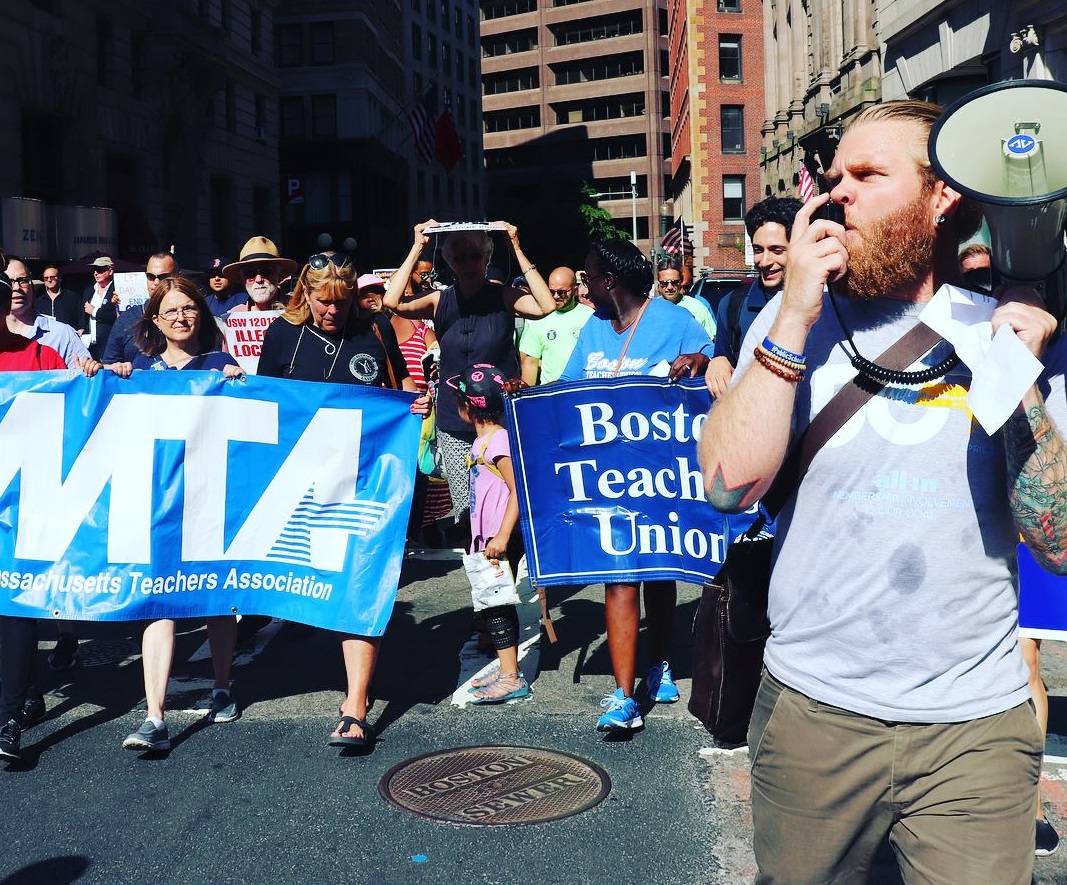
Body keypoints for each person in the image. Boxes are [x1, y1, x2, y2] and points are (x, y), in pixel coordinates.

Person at [698, 99, 1067, 884]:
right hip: (811, 715)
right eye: (834, 179)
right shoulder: (791, 314)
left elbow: (1058, 544)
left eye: (867, 176)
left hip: (974, 728)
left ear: (941, 198)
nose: (838, 196)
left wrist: (1017, 377)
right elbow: (728, 488)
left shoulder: (1008, 327)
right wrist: (794, 313)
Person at [258, 253, 429, 749]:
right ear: (304, 295)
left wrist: (417, 402)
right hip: (301, 483)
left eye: (341, 301)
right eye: (322, 301)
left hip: (365, 480)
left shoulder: (373, 331)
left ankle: (356, 702)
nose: (332, 311)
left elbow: (402, 388)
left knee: (361, 581)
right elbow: (266, 404)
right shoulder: (283, 335)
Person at [558, 239, 711, 732]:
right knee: (619, 576)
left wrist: (700, 363)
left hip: (659, 476)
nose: (584, 286)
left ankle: (659, 662)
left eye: (588, 277)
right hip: (605, 476)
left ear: (609, 282)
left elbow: (714, 364)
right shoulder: (593, 328)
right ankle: (623, 697)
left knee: (660, 575)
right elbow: (566, 388)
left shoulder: (674, 321)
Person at [110, 277, 243, 752]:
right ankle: (154, 716)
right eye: (171, 311)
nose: (182, 317)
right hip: (160, 502)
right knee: (159, 598)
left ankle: (223, 685)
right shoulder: (139, 368)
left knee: (214, 595)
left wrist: (238, 384)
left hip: (211, 498)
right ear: (155, 320)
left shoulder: (222, 364)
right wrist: (103, 373)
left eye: (190, 309)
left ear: (202, 316)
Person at [383, 220, 554, 539]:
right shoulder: (439, 300)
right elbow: (391, 302)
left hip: (499, 419)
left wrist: (515, 245)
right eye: (459, 258)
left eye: (474, 256)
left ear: (486, 258)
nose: (468, 264)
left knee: (509, 500)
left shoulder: (504, 296)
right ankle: (486, 578)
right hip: (454, 419)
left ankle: (513, 566)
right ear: (449, 263)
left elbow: (546, 305)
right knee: (468, 509)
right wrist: (417, 245)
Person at [0, 277, 81, 762]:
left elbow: (83, 411)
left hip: (22, 506)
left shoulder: (40, 357)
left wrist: (100, 372)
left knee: (14, 602)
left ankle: (8, 718)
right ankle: (26, 691)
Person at [449, 363, 530, 704]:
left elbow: (517, 490)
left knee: (497, 606)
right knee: (492, 605)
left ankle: (511, 677)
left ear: (469, 408)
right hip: (489, 539)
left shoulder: (497, 440)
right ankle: (505, 668)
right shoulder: (484, 440)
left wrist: (500, 536)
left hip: (501, 540)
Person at [706, 196, 802, 397]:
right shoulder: (732, 305)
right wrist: (717, 361)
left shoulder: (829, 301)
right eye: (758, 250)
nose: (765, 261)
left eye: (777, 250)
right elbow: (725, 358)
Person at [518, 266, 593, 386]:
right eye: (551, 291)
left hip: (582, 391)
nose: (556, 296)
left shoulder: (590, 317)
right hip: (552, 394)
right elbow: (530, 361)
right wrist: (529, 398)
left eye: (562, 292)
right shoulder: (539, 318)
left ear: (574, 290)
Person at [103, 251, 179, 364]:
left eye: (163, 277)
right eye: (151, 277)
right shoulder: (127, 319)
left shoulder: (189, 317)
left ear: (178, 276)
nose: (156, 282)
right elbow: (109, 364)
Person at [223, 236, 297, 316]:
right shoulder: (233, 316)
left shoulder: (299, 309)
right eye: (250, 273)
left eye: (266, 271)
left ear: (279, 276)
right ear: (243, 279)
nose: (258, 279)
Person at [656, 259, 717, 338]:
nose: (669, 287)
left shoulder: (698, 307)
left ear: (680, 281)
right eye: (664, 283)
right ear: (659, 283)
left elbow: (711, 342)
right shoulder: (651, 308)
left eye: (674, 282)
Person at [82, 255, 120, 360]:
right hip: (90, 344)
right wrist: (82, 328)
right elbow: (83, 315)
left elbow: (114, 315)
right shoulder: (89, 290)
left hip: (109, 344)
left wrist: (94, 311)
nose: (95, 273)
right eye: (94, 270)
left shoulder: (117, 290)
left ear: (110, 271)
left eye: (99, 270)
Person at [35, 265, 83, 330]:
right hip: (47, 338)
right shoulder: (38, 301)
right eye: (46, 278)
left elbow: (81, 316)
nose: (49, 280)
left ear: (59, 278)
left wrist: (81, 328)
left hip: (68, 336)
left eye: (52, 277)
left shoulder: (72, 297)